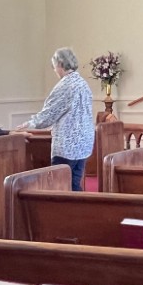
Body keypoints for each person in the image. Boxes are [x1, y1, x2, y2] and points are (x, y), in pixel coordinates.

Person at [15, 47, 94, 191]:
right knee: (74, 185)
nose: (55, 70)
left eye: (54, 66)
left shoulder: (66, 85)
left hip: (68, 145)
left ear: (60, 64)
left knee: (59, 187)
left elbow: (49, 113)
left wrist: (30, 124)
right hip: (83, 143)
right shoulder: (82, 83)